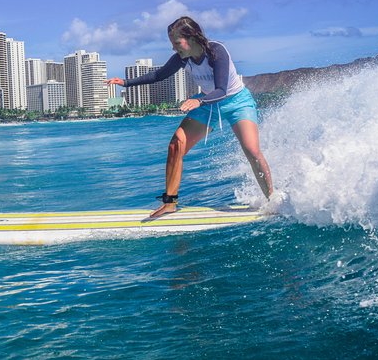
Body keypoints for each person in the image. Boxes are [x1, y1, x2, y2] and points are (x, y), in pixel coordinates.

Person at [106, 16, 273, 218]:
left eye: (176, 43)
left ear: (192, 37)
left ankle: (272, 201)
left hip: (235, 101)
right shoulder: (182, 58)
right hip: (207, 103)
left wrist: (199, 101)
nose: (174, 48)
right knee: (176, 144)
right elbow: (159, 75)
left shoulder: (216, 51)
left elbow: (221, 89)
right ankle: (170, 203)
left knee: (252, 152)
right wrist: (125, 82)